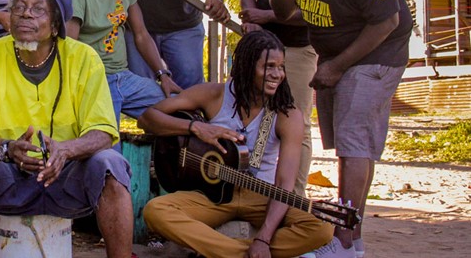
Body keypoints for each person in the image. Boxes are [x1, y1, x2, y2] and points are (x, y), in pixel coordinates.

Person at [0, 0, 133, 258]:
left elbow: (103, 132)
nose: (24, 15)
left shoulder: (84, 58)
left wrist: (65, 151)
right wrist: (6, 148)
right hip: (8, 176)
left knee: (111, 166)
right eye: (18, 7)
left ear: (56, 24)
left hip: (68, 178)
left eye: (37, 9)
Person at [270, 0, 413, 258]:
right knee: (351, 146)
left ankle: (343, 242)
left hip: (377, 53)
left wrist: (336, 66)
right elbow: (282, 9)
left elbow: (387, 22)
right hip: (336, 59)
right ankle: (354, 242)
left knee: (353, 146)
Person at [140, 30, 333, 258]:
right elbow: (148, 118)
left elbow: (284, 184)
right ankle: (238, 253)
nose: (277, 74)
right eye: (269, 66)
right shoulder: (214, 95)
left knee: (323, 227)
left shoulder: (286, 115)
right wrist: (196, 128)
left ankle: (228, 251)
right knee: (156, 211)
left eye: (281, 67)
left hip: (261, 196)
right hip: (213, 195)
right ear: (247, 67)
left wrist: (263, 238)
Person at [65, 0, 182, 149]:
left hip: (125, 78)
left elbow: (141, 34)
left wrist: (162, 75)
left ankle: (165, 174)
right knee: (109, 147)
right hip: (95, 81)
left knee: (179, 111)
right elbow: (69, 48)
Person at [239, 0, 323, 196]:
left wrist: (268, 16)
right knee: (252, 118)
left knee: (295, 124)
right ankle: (253, 191)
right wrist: (250, 16)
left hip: (299, 48)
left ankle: (292, 197)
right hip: (260, 46)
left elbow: (315, 8)